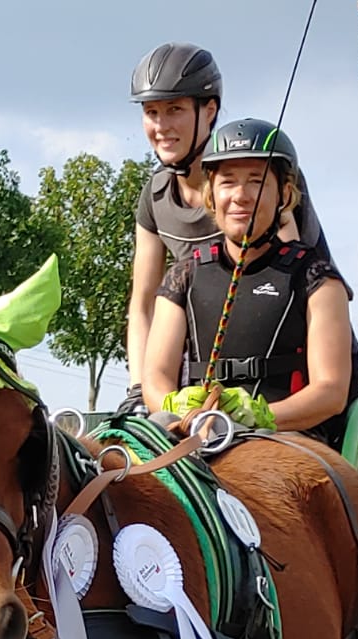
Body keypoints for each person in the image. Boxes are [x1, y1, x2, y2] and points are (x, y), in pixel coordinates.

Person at [125, 42, 335, 395]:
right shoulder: (155, 196)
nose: (161, 126)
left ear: (209, 111)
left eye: (174, 109)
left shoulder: (260, 174)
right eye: (151, 112)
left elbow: (281, 288)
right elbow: (144, 303)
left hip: (293, 367)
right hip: (207, 370)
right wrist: (139, 388)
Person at [141, 119, 355, 447]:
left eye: (257, 182)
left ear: (284, 194)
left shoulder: (317, 280)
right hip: (195, 433)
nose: (240, 196)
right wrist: (175, 406)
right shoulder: (183, 276)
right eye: (227, 182)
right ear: (211, 195)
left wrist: (259, 416)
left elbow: (331, 392)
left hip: (287, 440)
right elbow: (156, 375)